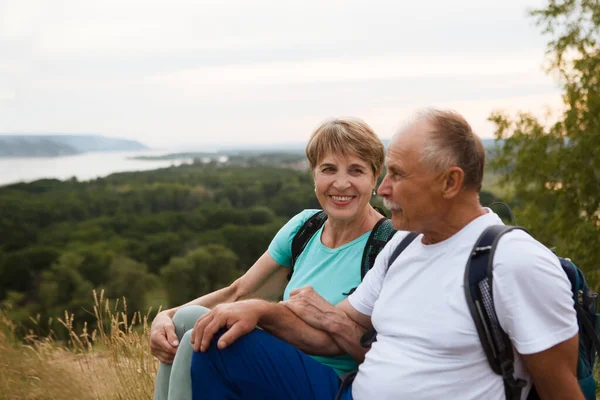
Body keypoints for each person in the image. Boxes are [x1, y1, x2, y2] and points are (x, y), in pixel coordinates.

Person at [188, 107, 582, 400]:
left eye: (396, 174)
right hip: (347, 393)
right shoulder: (404, 245)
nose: (383, 188)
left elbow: (560, 391)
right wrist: (262, 311)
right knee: (219, 345)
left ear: (450, 182)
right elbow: (330, 336)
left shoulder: (513, 262)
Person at [150, 117, 394, 400]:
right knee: (187, 319)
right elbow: (239, 291)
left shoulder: (386, 244)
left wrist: (267, 314)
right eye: (328, 169)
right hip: (283, 366)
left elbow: (364, 348)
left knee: (208, 341)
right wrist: (164, 317)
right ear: (314, 175)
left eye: (356, 170)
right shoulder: (305, 228)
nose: (341, 183)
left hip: (339, 383)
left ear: (375, 177)